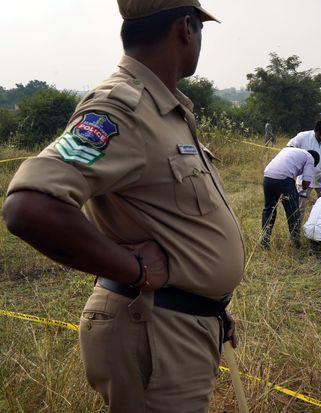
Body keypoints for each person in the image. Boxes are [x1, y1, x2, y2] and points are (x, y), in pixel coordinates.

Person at [3, 2, 242, 412]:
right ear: (186, 28)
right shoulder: (122, 107)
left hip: (178, 325)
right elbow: (29, 205)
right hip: (152, 328)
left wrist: (210, 301)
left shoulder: (165, 108)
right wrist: (134, 269)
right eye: (200, 28)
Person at [261, 148, 319, 249]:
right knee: (293, 212)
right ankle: (296, 243)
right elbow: (306, 182)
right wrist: (301, 190)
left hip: (267, 176)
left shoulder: (289, 150)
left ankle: (264, 240)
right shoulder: (310, 158)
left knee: (269, 209)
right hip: (284, 180)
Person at [287, 120, 321, 217]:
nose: (320, 138)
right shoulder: (303, 136)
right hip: (304, 178)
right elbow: (289, 147)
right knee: (300, 207)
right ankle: (297, 228)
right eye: (318, 135)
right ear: (314, 131)